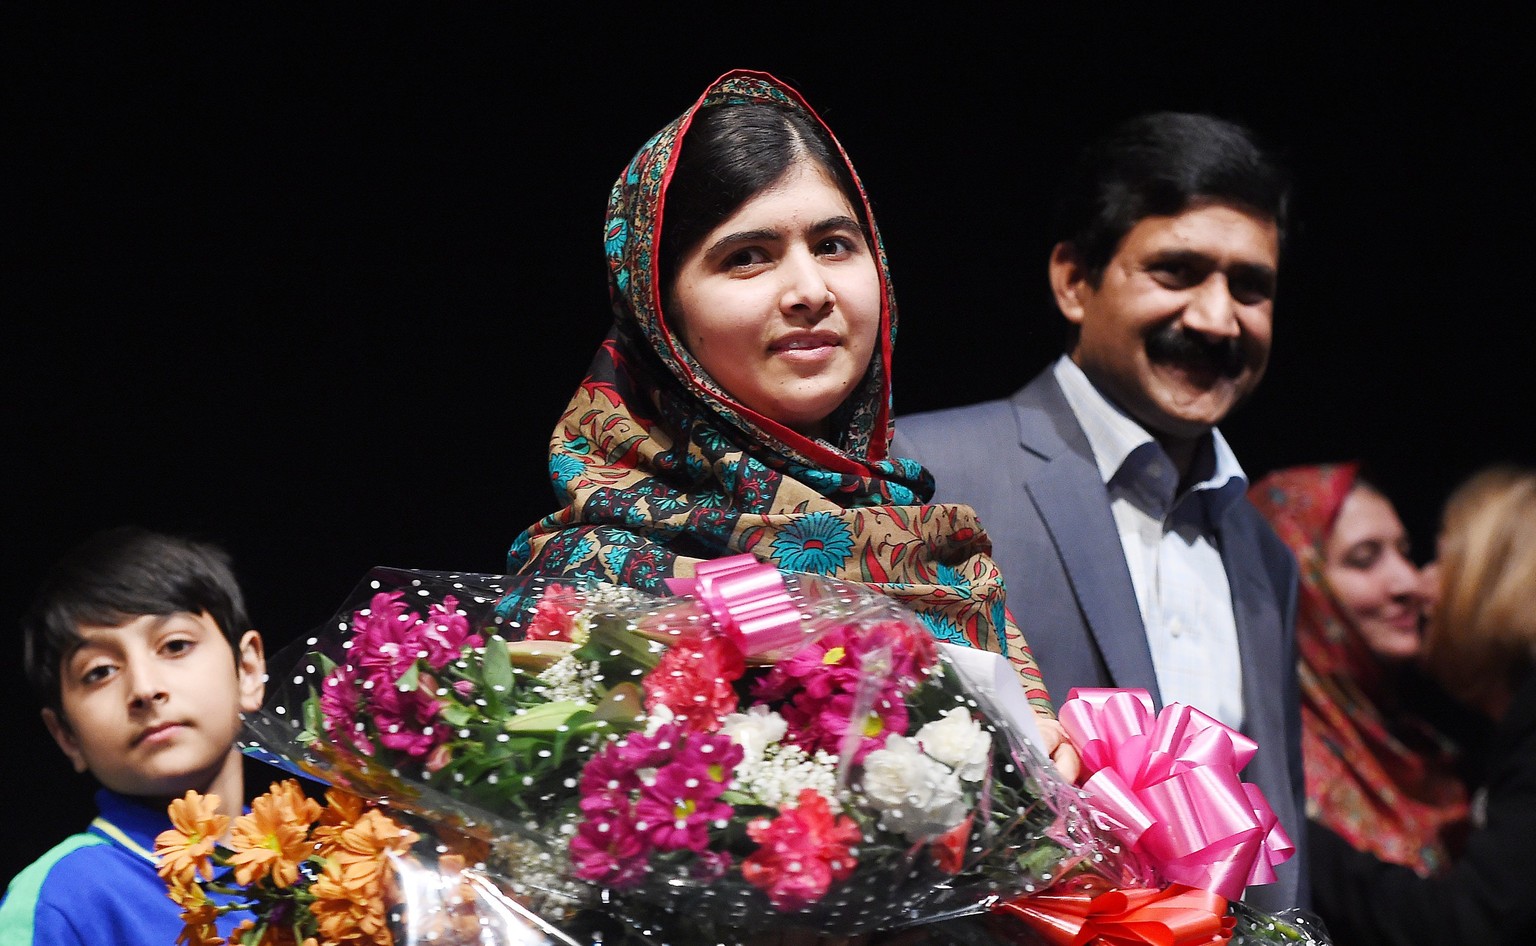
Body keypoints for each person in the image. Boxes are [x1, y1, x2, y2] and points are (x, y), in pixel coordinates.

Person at [502, 69, 1076, 776]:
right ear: (661, 314)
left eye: (835, 245)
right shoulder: (590, 578)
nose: (810, 291)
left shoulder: (934, 552)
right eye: (747, 257)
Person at [890, 111, 1306, 912]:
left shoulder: (1266, 554)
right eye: (1178, 272)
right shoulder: (930, 477)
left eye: (1250, 287)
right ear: (1074, 281)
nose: (1219, 319)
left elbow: (1275, 824)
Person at [0, 526, 265, 945]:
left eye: (175, 646)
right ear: (66, 735)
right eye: (100, 671)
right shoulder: (64, 901)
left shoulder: (326, 873)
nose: (143, 688)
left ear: (247, 671)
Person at [1308, 465, 1536, 944]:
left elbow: (1469, 921)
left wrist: (1288, 837)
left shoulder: (1444, 751)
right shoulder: (1274, 750)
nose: (1413, 581)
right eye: (1366, 558)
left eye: (1426, 558)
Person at [1248, 463, 1469, 883]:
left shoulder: (1425, 740)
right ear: (1300, 579)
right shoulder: (1267, 764)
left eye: (1404, 552)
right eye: (1364, 560)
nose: (1407, 582)